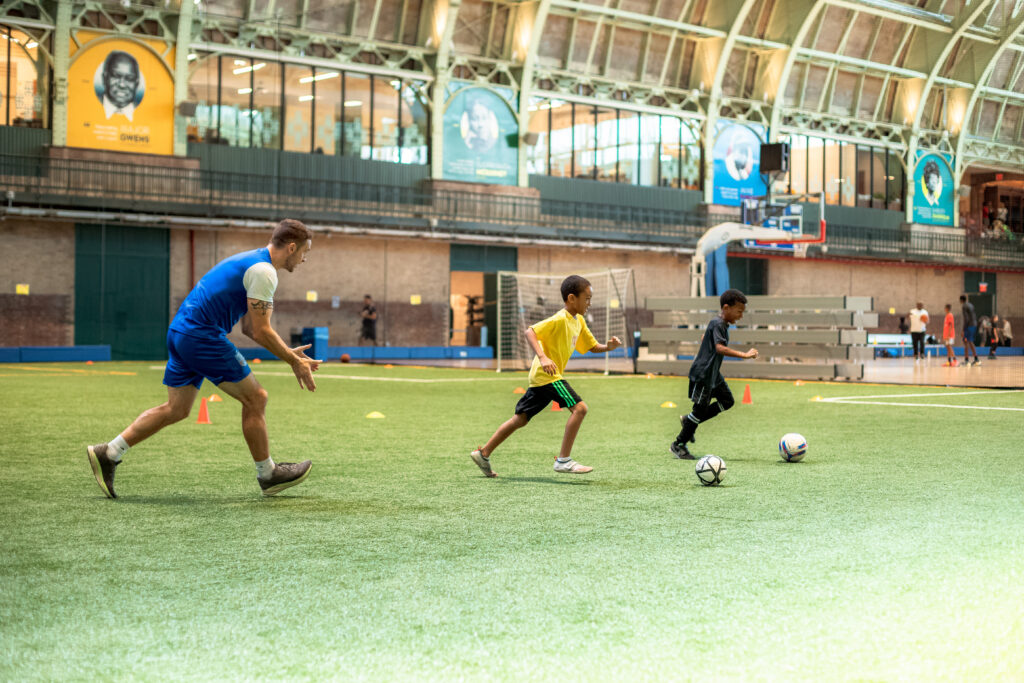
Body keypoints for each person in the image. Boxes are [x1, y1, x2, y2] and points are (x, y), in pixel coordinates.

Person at [85, 219, 321, 499]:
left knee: (177, 409)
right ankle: (268, 474)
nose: (304, 259)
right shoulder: (264, 272)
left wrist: (288, 352)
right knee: (256, 398)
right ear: (291, 247)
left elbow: (249, 328)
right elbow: (259, 329)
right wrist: (294, 361)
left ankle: (109, 452)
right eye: (304, 251)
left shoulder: (252, 261)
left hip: (180, 332)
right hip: (201, 335)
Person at [469, 275, 621, 477]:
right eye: (587, 298)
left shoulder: (579, 321)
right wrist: (542, 357)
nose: (589, 303)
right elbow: (530, 332)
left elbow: (592, 346)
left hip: (542, 378)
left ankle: (483, 453)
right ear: (571, 298)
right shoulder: (559, 319)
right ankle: (563, 460)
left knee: (520, 419)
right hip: (548, 375)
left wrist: (608, 347)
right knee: (580, 409)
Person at [670, 289, 759, 460]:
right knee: (699, 410)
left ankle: (689, 420)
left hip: (713, 375)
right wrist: (745, 354)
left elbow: (710, 340)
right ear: (726, 308)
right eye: (739, 311)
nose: (741, 316)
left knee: (727, 401)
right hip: (704, 374)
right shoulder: (718, 323)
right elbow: (719, 348)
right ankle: (678, 444)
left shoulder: (720, 325)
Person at [100, 51, 141, 121]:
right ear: (105, 78)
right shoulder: (87, 107)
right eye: (116, 76)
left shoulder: (143, 115)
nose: (122, 85)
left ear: (137, 84)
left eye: (129, 78)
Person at [960, 294, 979, 366]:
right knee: (970, 342)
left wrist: (963, 329)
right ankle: (976, 359)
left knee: (966, 342)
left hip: (969, 326)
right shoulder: (971, 305)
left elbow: (966, 319)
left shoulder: (964, 306)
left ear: (961, 300)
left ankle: (967, 361)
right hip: (974, 325)